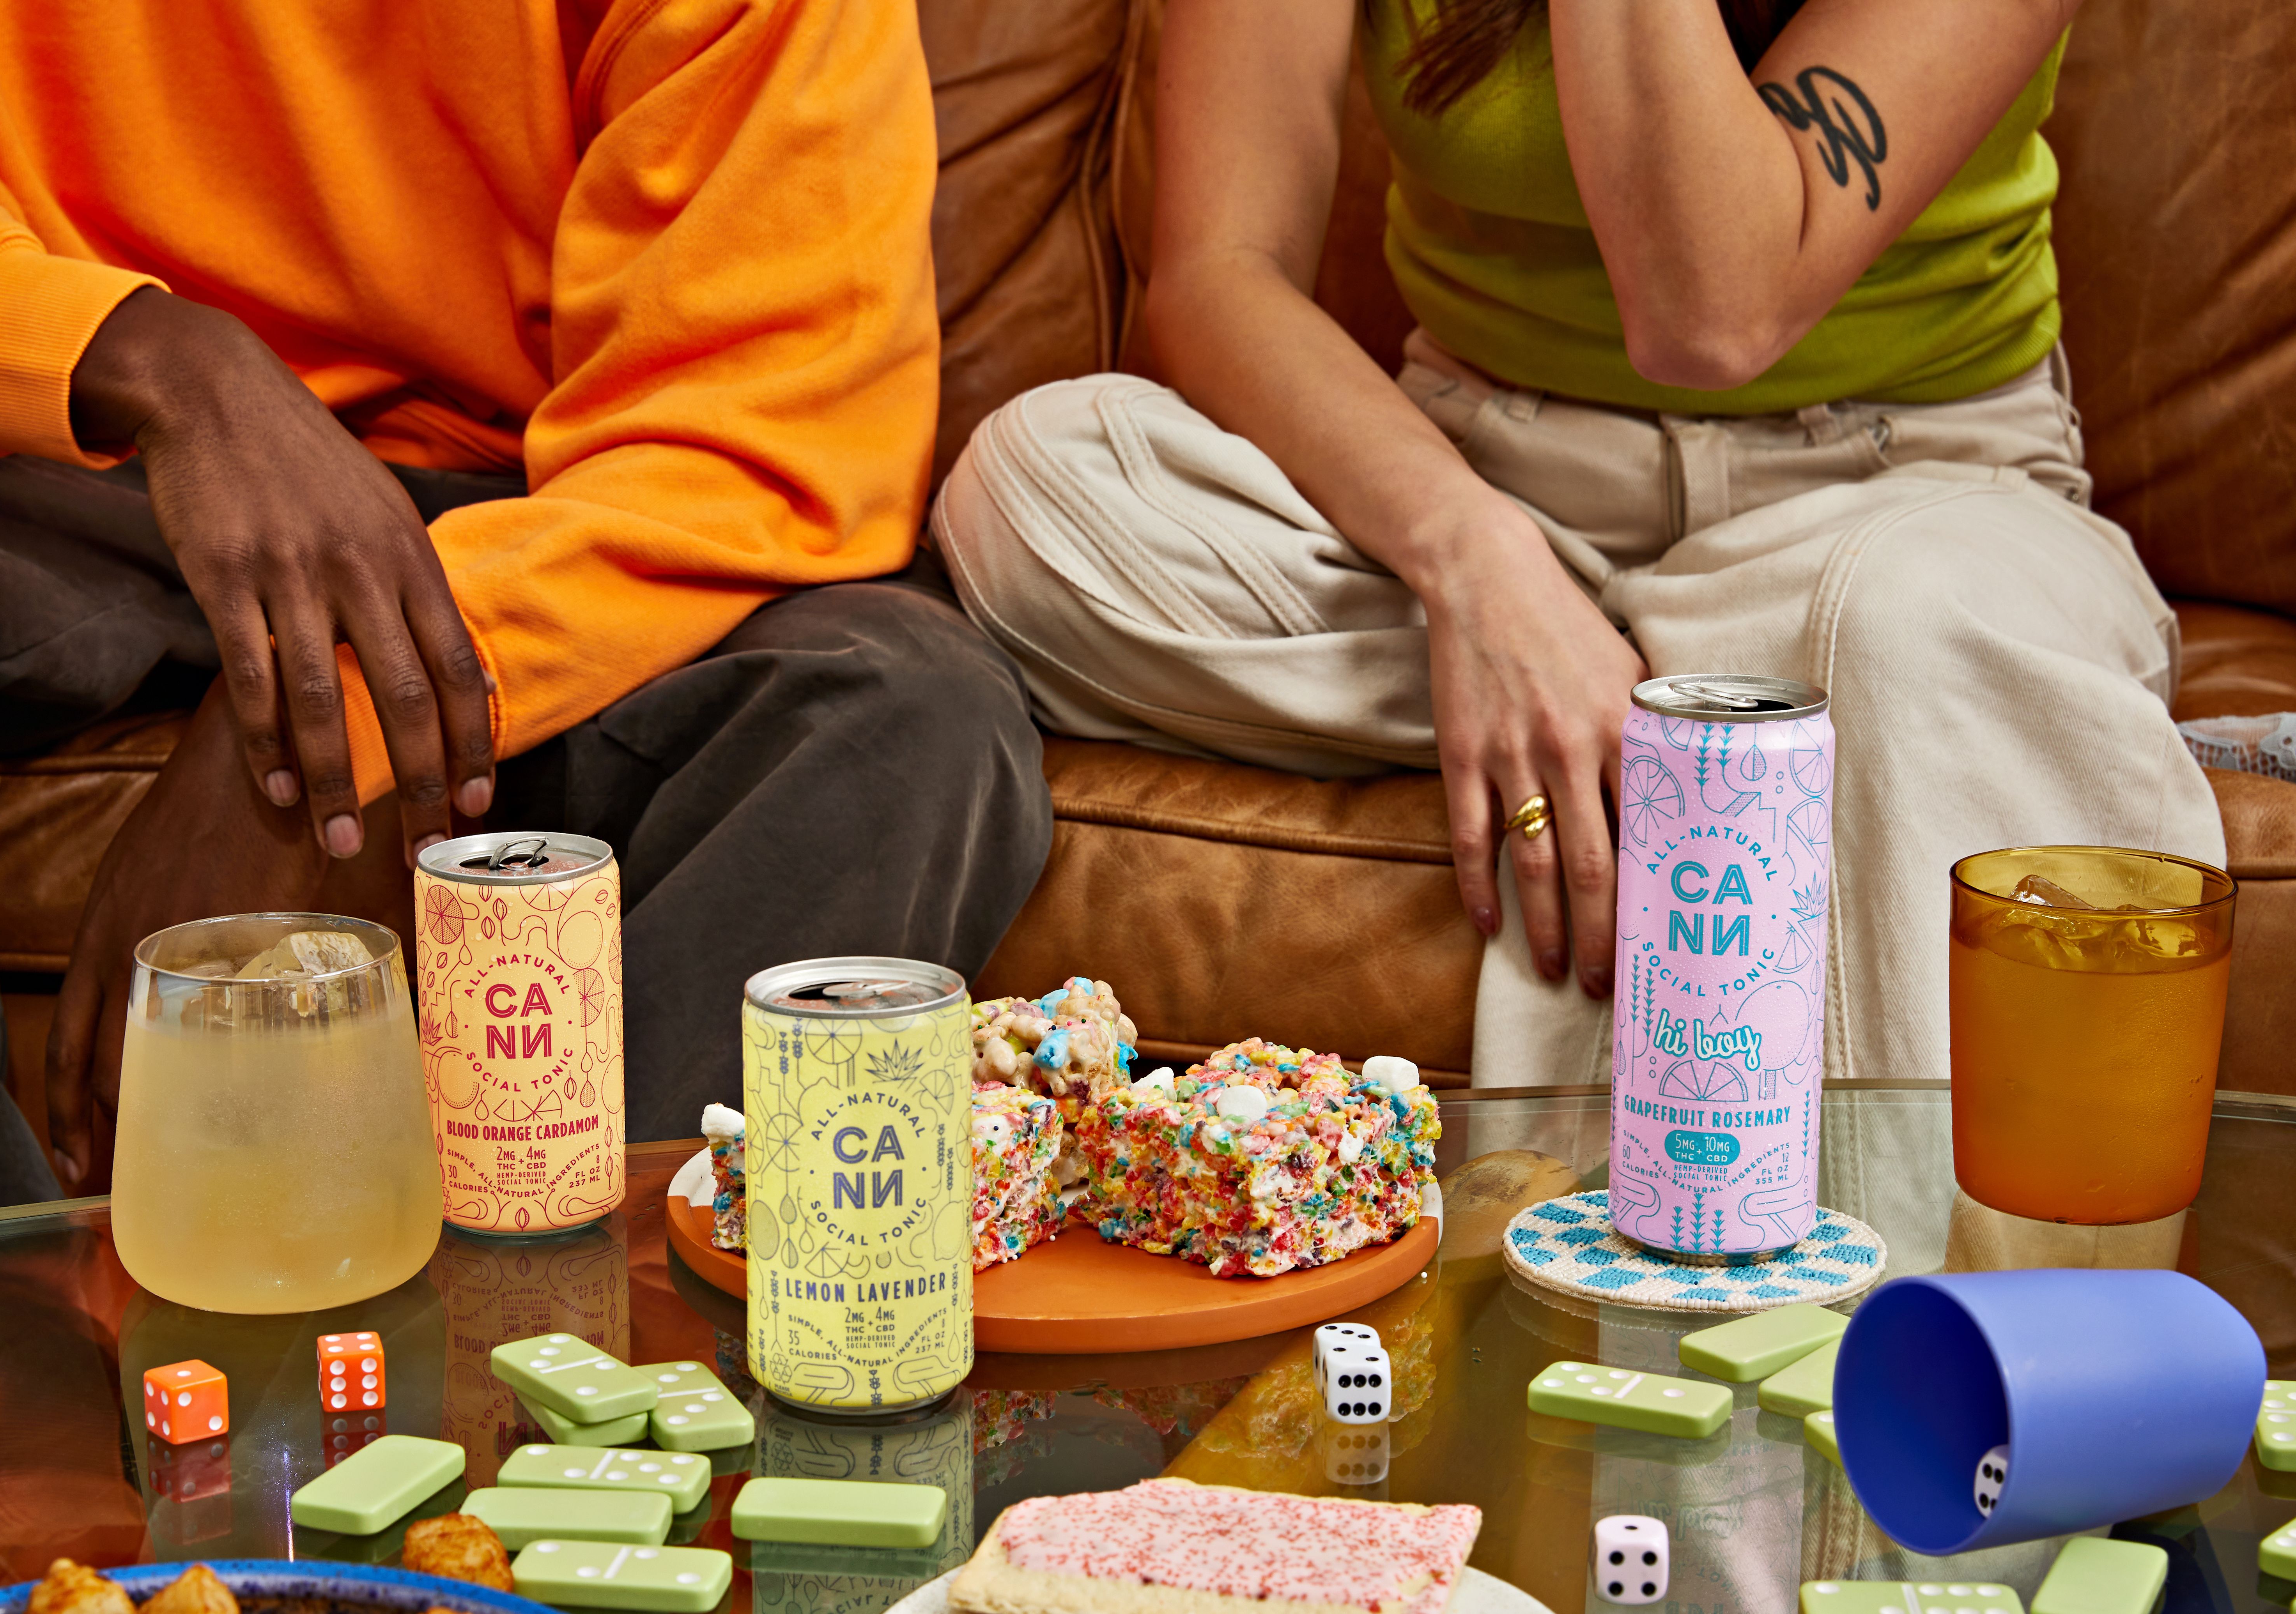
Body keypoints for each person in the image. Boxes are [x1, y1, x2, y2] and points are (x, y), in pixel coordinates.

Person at [0, 0, 1051, 1221]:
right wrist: (156, 361)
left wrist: (314, 723)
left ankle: (556, 1366)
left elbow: (769, 418)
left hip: (540, 504)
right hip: (42, 450)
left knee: (909, 719)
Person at [934, 0, 2222, 1092]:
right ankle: (1716, 719)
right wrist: (1476, 563)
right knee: (1035, 487)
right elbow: (1219, 269)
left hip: (1895, 504)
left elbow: (1709, 313)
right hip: (1492, 482)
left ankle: (1654, 706)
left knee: (1915, 618)